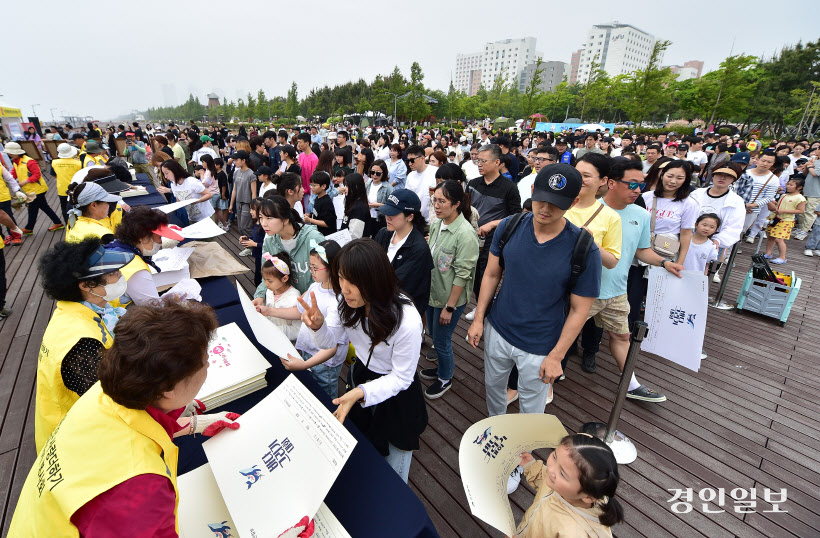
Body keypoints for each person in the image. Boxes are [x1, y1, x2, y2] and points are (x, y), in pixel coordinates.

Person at [10, 299, 242, 537]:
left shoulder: (102, 393)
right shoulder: (141, 488)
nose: (209, 365)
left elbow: (134, 428)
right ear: (168, 388)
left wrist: (195, 424)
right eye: (204, 363)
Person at [467, 163, 601, 495]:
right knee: (494, 391)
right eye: (541, 199)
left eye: (556, 202)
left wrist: (557, 356)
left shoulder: (582, 246)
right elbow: (491, 274)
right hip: (499, 329)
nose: (545, 208)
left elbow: (580, 309)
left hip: (540, 345)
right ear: (531, 192)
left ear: (572, 202)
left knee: (531, 411)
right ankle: (497, 441)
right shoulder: (511, 226)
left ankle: (519, 457)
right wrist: (479, 317)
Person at [298, 239, 428, 482]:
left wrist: (359, 392)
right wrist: (319, 327)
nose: (344, 289)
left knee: (393, 474)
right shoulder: (348, 303)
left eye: (353, 281)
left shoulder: (407, 321)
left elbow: (401, 378)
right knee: (364, 451)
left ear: (374, 279)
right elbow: (331, 343)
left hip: (397, 395)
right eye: (341, 277)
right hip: (362, 378)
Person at [33, 237, 134, 451]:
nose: (120, 276)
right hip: (78, 442)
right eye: (113, 273)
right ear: (87, 285)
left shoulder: (77, 311)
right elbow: (111, 401)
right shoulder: (81, 344)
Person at [420, 180, 479, 399]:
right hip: (433, 292)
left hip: (449, 299)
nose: (436, 205)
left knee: (442, 340)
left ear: (456, 204)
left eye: (442, 201)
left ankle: (445, 377)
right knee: (435, 334)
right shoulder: (437, 223)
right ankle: (441, 369)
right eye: (434, 200)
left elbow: (462, 275)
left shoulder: (465, 234)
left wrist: (450, 307)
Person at [274, 240, 349, 399]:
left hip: (325, 364)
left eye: (315, 268)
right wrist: (269, 311)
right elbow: (299, 311)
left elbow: (331, 347)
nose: (311, 272)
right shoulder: (316, 286)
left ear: (332, 268)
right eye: (310, 266)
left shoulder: (337, 301)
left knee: (326, 398)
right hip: (309, 352)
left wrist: (304, 365)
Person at [515, 434, 624, 538]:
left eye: (562, 473)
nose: (551, 469)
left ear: (588, 497)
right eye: (555, 456)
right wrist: (530, 465)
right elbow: (544, 479)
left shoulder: (573, 532)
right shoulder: (559, 485)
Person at [465, 144, 521, 321]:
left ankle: (484, 315)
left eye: (483, 160)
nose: (479, 164)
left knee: (485, 276)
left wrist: (492, 224)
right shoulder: (473, 184)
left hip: (494, 239)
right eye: (477, 160)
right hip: (471, 237)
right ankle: (481, 307)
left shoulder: (509, 187)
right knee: (473, 276)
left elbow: (515, 216)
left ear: (497, 162)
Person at [105, 206, 184, 306]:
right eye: (159, 237)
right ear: (142, 237)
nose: (160, 243)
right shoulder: (135, 270)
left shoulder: (115, 247)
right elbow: (154, 309)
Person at [374, 190, 434, 318]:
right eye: (386, 212)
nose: (387, 217)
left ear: (410, 216)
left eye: (393, 214)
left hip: (401, 313)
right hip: (380, 307)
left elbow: (399, 284)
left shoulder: (419, 249)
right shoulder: (384, 234)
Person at [252, 195, 325, 300]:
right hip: (286, 303)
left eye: (269, 218)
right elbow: (266, 277)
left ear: (285, 219)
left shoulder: (313, 239)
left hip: (313, 303)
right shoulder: (269, 242)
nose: (263, 223)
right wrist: (259, 296)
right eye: (261, 217)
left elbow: (327, 276)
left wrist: (307, 296)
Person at [688, 164, 746, 283]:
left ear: (733, 179)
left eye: (727, 176)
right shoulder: (697, 194)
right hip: (689, 236)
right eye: (719, 175)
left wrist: (718, 240)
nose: (722, 178)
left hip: (713, 242)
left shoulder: (736, 201)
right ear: (713, 175)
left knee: (704, 274)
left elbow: (734, 227)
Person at [641, 160, 698, 266]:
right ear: (662, 175)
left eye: (679, 178)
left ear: (685, 180)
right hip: (640, 250)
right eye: (670, 176)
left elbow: (686, 234)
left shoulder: (689, 204)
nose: (673, 181)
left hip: (664, 253)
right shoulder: (646, 197)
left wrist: (680, 262)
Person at [5, 141, 65, 234]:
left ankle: (29, 228)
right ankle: (58, 223)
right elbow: (13, 174)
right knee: (43, 207)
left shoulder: (29, 161)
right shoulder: (16, 162)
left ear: (17, 152)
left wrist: (24, 182)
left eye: (10, 153)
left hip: (37, 190)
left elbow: (37, 175)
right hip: (30, 190)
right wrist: (8, 180)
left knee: (32, 208)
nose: (9, 155)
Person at [257, 251, 301, 342]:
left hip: (287, 343)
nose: (266, 284)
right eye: (264, 280)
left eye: (270, 281)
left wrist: (275, 331)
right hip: (269, 337)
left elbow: (297, 330)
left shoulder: (294, 298)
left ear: (284, 278)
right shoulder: (269, 292)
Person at [734, 150, 779, 238]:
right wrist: (743, 205)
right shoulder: (746, 173)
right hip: (737, 205)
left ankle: (733, 250)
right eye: (763, 160)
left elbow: (768, 197)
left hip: (753, 209)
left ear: (773, 163)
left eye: (769, 162)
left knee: (741, 232)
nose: (765, 163)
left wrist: (753, 205)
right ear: (758, 160)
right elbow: (736, 189)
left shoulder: (773, 179)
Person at [158, 159, 213, 224]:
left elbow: (209, 194)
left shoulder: (192, 182)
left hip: (206, 217)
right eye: (164, 174)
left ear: (174, 171)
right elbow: (178, 201)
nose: (165, 176)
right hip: (191, 218)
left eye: (167, 173)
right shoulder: (173, 184)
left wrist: (197, 201)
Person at [765, 178, 806, 264]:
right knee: (771, 236)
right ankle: (768, 253)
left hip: (785, 220)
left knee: (779, 239)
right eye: (788, 184)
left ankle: (782, 257)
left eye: (791, 185)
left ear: (799, 187)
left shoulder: (800, 198)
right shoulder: (784, 195)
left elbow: (800, 210)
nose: (788, 186)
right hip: (775, 218)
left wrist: (783, 211)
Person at [404, 145, 438, 223]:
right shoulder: (410, 176)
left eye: (412, 160)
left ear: (422, 158)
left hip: (432, 221)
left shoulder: (435, 172)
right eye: (408, 161)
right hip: (415, 221)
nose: (410, 164)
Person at [229, 150, 257, 238]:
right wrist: (231, 204)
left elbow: (254, 192)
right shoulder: (236, 172)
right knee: (240, 227)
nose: (235, 162)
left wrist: (253, 207)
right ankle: (248, 246)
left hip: (247, 204)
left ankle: (253, 245)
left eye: (236, 160)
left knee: (246, 227)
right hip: (238, 203)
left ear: (243, 160)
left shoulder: (251, 174)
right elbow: (234, 189)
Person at [52, 143, 83, 223]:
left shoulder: (54, 162)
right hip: (76, 189)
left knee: (64, 208)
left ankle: (68, 224)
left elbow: (53, 174)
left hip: (62, 189)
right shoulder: (78, 163)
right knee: (78, 207)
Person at [239, 198, 265, 284]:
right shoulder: (256, 222)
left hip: (264, 257)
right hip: (257, 256)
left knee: (261, 278)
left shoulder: (265, 226)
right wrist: (247, 238)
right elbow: (256, 237)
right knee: (257, 276)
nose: (251, 211)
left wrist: (254, 244)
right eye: (250, 209)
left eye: (253, 209)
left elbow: (267, 244)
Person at [340, 173, 372, 239]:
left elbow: (354, 236)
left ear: (356, 187)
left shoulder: (359, 208)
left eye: (347, 185)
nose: (344, 188)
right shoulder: (353, 203)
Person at [304, 171, 337, 235]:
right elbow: (318, 214)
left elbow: (327, 223)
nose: (311, 188)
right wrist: (310, 215)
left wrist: (310, 220)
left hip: (326, 235)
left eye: (314, 186)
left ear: (323, 186)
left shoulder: (326, 202)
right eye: (311, 185)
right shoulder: (317, 198)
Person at [366, 159, 393, 232]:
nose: (374, 175)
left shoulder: (388, 188)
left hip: (380, 219)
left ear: (383, 173)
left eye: (378, 173)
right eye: (372, 172)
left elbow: (392, 206)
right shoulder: (368, 184)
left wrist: (379, 205)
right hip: (367, 217)